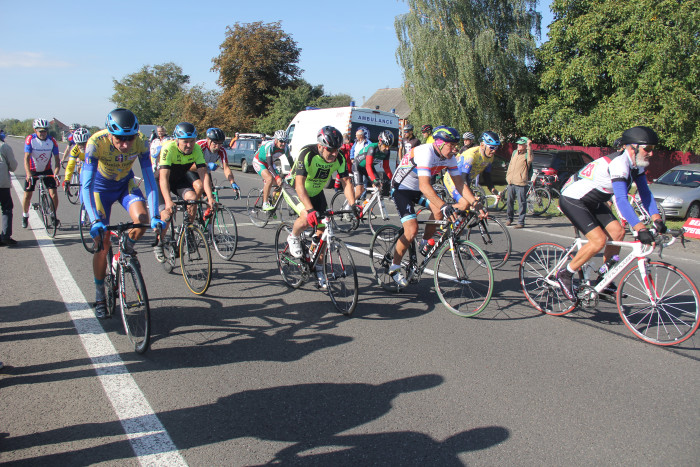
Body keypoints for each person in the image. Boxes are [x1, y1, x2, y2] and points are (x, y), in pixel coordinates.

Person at [555, 126, 664, 301]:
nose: (651, 153)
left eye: (652, 149)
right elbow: (621, 199)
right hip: (573, 199)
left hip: (593, 200)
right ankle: (566, 274)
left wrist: (656, 218)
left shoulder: (636, 165)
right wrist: (640, 228)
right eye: (648, 149)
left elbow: (645, 193)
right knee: (598, 240)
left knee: (618, 232)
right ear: (632, 147)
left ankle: (604, 280)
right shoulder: (619, 164)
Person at [81, 108, 164, 318]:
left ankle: (123, 253)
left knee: (142, 220)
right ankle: (100, 296)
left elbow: (150, 182)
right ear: (110, 133)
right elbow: (86, 186)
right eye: (120, 139)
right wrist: (93, 221)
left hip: (125, 185)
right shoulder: (95, 143)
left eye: (130, 138)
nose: (126, 144)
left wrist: (155, 215)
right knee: (102, 242)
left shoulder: (141, 141)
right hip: (99, 189)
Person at [389, 126, 486, 287]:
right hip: (402, 189)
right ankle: (394, 267)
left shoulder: (450, 157)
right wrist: (444, 205)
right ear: (440, 143)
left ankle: (424, 242)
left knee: (437, 211)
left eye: (456, 145)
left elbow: (460, 184)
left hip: (418, 189)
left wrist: (475, 203)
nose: (455, 149)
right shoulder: (425, 152)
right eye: (452, 145)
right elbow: (425, 186)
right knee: (411, 230)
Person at [284, 126, 359, 288]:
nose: (334, 154)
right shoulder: (308, 154)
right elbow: (299, 184)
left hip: (316, 192)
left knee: (323, 229)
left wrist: (353, 205)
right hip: (295, 189)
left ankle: (318, 266)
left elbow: (346, 182)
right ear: (320, 146)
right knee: (305, 218)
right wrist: (310, 210)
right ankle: (293, 237)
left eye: (337, 150)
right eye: (330, 150)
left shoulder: (339, 158)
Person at [155, 122, 215, 262]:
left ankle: (188, 230)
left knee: (193, 198)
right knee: (166, 214)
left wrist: (210, 198)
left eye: (192, 141)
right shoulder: (168, 148)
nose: (189, 145)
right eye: (185, 142)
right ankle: (159, 242)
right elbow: (163, 178)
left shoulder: (196, 150)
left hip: (179, 180)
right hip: (162, 182)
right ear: (177, 140)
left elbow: (203, 174)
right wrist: (169, 201)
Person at [443, 131, 501, 203]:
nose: (494, 151)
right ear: (482, 145)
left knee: (470, 208)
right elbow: (464, 177)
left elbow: (487, 175)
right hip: (452, 179)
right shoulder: (471, 155)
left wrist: (493, 190)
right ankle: (444, 210)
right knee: (465, 203)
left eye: (496, 147)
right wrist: (470, 193)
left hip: (465, 181)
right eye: (492, 147)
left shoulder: (490, 157)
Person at [22, 119, 60, 229]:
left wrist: (56, 173)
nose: (43, 133)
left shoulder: (52, 141)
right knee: (27, 195)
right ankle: (25, 215)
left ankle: (53, 215)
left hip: (46, 169)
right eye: (40, 131)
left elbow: (57, 161)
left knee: (53, 194)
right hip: (33, 170)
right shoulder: (31, 139)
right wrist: (28, 173)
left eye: (45, 131)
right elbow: (26, 158)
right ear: (35, 130)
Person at [194, 127, 240, 199]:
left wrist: (232, 182)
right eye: (215, 143)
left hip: (205, 172)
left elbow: (226, 168)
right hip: (193, 170)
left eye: (220, 143)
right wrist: (207, 165)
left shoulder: (221, 150)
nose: (217, 146)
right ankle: (193, 206)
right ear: (208, 140)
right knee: (199, 190)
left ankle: (209, 209)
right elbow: (190, 164)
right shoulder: (199, 146)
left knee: (210, 197)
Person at [352, 130, 394, 200]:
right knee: (360, 191)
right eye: (385, 145)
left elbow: (386, 167)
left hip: (368, 168)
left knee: (378, 189)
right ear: (380, 142)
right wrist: (374, 180)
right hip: (358, 166)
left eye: (389, 146)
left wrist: (393, 180)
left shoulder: (387, 151)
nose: (387, 148)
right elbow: (368, 166)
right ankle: (349, 206)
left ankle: (366, 207)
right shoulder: (373, 148)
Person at [253, 129, 289, 210]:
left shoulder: (286, 148)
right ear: (276, 140)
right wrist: (277, 177)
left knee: (281, 183)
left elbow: (291, 163)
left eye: (285, 141)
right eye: (281, 141)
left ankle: (273, 204)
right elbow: (269, 165)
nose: (283, 144)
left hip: (271, 163)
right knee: (269, 179)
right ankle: (264, 203)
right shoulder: (270, 146)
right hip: (259, 162)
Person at [505, 136, 533, 228]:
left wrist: (529, 146)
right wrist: (508, 177)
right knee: (509, 201)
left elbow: (530, 160)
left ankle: (521, 221)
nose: (519, 146)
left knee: (521, 202)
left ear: (525, 146)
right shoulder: (514, 153)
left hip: (521, 182)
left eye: (521, 145)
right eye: (518, 144)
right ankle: (509, 218)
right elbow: (510, 165)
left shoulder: (527, 154)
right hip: (511, 181)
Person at [0, 130, 18, 245]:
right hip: (2, 184)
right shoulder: (4, 147)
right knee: (6, 208)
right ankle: (6, 236)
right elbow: (13, 166)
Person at [62, 128, 90, 194]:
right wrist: (67, 180)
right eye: (79, 144)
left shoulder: (95, 147)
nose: (82, 146)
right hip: (84, 164)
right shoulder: (74, 150)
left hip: (95, 165)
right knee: (83, 184)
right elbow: (70, 166)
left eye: (84, 144)